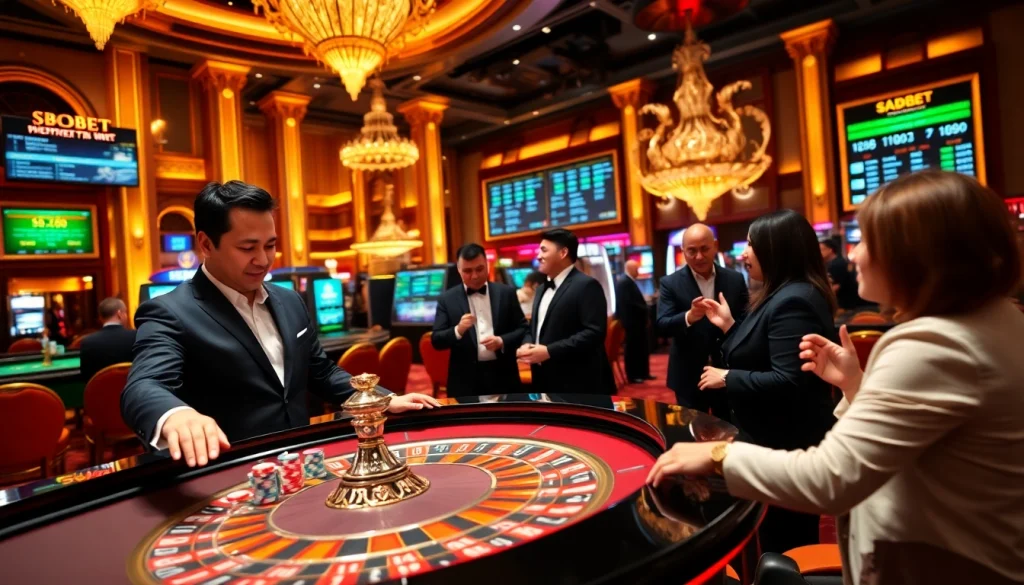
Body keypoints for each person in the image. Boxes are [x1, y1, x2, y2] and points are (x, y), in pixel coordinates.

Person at [648, 171, 1024, 585]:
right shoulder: (997, 317)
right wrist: (855, 385)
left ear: (913, 254)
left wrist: (720, 456)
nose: (852, 255)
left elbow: (832, 478)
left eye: (864, 240)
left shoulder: (935, 344)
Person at [121, 181, 438, 468]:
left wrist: (382, 399)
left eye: (270, 245)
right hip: (228, 474)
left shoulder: (289, 300)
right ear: (205, 244)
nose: (263, 259)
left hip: (299, 463)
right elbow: (143, 387)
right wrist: (175, 414)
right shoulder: (169, 311)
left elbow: (321, 371)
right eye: (247, 248)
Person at [694, 209, 838, 554]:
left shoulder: (793, 301)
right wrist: (729, 326)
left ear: (776, 249)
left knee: (787, 543)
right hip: (774, 436)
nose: (743, 254)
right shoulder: (781, 292)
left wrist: (728, 377)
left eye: (750, 245)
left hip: (786, 440)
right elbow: (759, 352)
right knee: (773, 537)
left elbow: (790, 381)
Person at [656, 224, 748, 414]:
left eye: (705, 249)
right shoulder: (669, 283)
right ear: (683, 251)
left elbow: (747, 322)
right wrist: (689, 316)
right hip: (687, 373)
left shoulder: (735, 279)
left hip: (726, 370)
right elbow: (662, 325)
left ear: (715, 246)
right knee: (692, 432)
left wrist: (729, 324)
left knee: (729, 430)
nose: (699, 256)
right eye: (692, 251)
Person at [517, 228, 615, 394]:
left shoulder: (586, 285)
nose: (538, 256)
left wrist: (549, 351)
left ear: (563, 253)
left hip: (579, 382)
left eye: (544, 250)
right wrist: (527, 343)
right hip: (544, 379)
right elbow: (534, 327)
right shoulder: (541, 289)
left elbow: (594, 333)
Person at [431, 243, 529, 397]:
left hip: (503, 374)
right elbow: (436, 340)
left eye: (479, 269)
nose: (474, 276)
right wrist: (458, 330)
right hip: (465, 379)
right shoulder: (447, 299)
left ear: (487, 265)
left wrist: (501, 341)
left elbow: (523, 329)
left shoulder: (506, 293)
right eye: (467, 271)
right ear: (458, 269)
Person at [79, 297, 136, 383]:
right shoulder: (137, 336)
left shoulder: (87, 343)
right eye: (126, 312)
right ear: (119, 314)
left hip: (101, 394)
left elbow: (86, 378)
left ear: (101, 318)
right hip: (134, 393)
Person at [615, 259, 652, 383]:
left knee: (641, 349)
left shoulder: (629, 281)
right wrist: (645, 307)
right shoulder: (624, 282)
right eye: (636, 269)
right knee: (633, 350)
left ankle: (643, 373)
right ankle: (634, 375)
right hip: (632, 323)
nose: (638, 271)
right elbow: (629, 304)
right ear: (630, 269)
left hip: (638, 322)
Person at [820, 236, 864, 311]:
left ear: (830, 250)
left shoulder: (836, 264)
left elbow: (836, 286)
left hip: (845, 305)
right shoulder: (836, 262)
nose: (819, 252)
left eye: (821, 249)